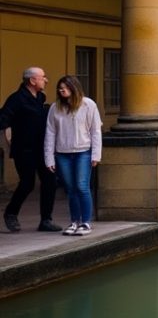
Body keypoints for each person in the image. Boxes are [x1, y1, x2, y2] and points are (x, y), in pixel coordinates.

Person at [0, 67, 60, 233]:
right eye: (43, 77)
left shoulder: (40, 97)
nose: (46, 80)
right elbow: (3, 118)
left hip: (43, 148)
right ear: (32, 80)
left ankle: (46, 220)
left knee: (50, 182)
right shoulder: (16, 99)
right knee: (27, 184)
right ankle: (11, 213)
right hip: (24, 150)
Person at [43, 76, 102, 237]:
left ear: (74, 88)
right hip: (63, 153)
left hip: (83, 151)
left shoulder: (88, 105)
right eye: (59, 88)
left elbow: (95, 131)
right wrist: (49, 158)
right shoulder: (55, 108)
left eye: (65, 87)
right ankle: (74, 221)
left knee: (82, 186)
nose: (61, 90)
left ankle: (86, 222)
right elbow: (50, 133)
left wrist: (96, 154)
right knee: (70, 189)